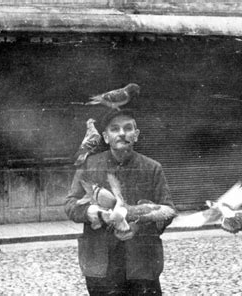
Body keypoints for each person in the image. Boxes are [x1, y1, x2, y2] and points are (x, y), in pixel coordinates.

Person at [65, 110, 175, 295]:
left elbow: (169, 210)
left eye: (128, 128)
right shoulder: (88, 165)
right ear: (106, 137)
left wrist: (137, 222)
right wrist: (91, 212)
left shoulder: (152, 168)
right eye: (115, 129)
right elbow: (70, 204)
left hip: (142, 263)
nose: (122, 133)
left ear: (136, 135)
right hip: (101, 262)